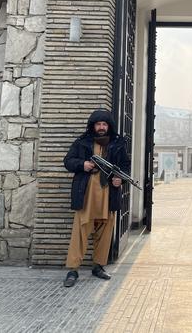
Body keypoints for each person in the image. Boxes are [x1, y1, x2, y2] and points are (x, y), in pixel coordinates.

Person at [62, 109, 129, 287]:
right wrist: (82, 164)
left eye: (104, 124)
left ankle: (98, 266)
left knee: (105, 231)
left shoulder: (118, 143)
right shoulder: (82, 142)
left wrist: (120, 179)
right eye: (98, 124)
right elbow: (68, 161)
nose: (101, 127)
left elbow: (124, 166)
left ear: (109, 126)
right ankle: (73, 269)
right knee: (80, 231)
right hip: (86, 194)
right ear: (93, 126)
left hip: (108, 195)